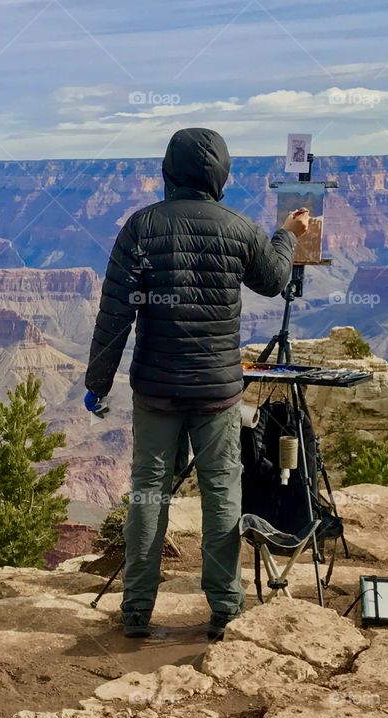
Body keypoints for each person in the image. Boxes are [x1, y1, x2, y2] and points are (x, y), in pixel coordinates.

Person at [83, 127, 310, 640]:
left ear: (168, 170)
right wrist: (287, 234)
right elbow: (273, 280)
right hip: (217, 390)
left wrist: (98, 382)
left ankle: (137, 611)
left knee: (147, 494)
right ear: (220, 174)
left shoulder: (140, 228)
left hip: (156, 389)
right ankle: (225, 609)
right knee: (222, 492)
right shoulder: (236, 227)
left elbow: (115, 312)